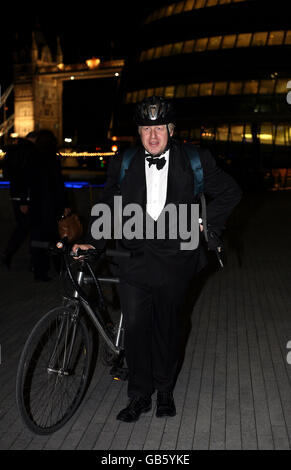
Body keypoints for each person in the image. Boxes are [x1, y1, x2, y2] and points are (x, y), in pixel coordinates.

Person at [73, 96, 242, 422]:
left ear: (171, 130)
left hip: (176, 262)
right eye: (146, 128)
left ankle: (165, 390)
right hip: (133, 261)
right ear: (138, 131)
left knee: (168, 329)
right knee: (136, 331)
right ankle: (139, 396)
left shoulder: (195, 159)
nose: (153, 136)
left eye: (159, 128)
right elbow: (107, 203)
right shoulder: (123, 162)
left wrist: (209, 224)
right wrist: (91, 243)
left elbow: (230, 192)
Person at [29, 129, 69, 281]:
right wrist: (65, 203)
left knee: (38, 239)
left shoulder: (32, 157)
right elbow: (58, 184)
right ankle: (60, 267)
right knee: (55, 239)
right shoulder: (53, 159)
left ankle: (39, 271)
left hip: (37, 205)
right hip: (52, 206)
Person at [1, 131, 37, 269]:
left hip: (15, 194)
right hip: (25, 197)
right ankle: (13, 255)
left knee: (22, 227)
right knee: (26, 229)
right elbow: (26, 177)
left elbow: (8, 174)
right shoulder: (29, 152)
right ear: (33, 139)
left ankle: (9, 254)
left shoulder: (13, 150)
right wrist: (24, 200)